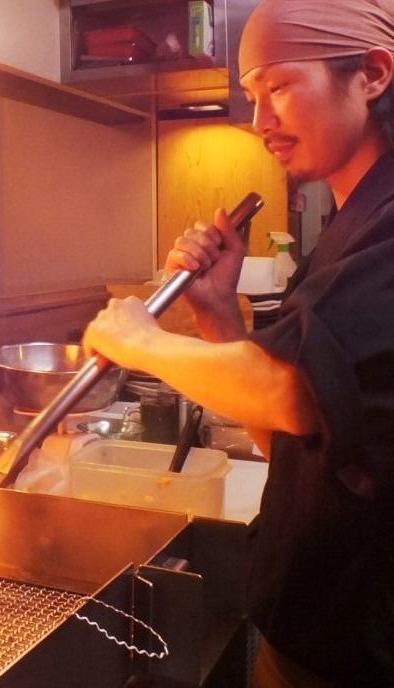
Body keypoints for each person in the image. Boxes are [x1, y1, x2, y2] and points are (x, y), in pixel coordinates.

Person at [82, 1, 394, 686]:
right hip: (313, 632)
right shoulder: (345, 229)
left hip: (362, 655)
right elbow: (289, 435)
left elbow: (292, 392)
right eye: (252, 95)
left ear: (371, 74)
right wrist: (219, 312)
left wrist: (139, 338)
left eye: (278, 86)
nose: (260, 123)